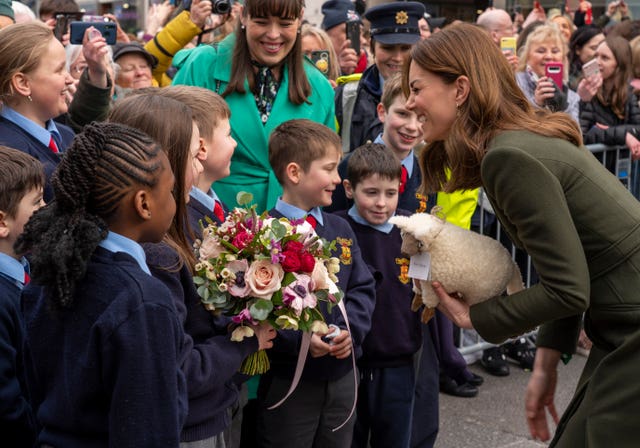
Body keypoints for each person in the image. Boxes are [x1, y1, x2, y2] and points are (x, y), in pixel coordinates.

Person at [405, 22, 640, 446]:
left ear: (460, 89)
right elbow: (573, 269)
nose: (409, 101)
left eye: (417, 87)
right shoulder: (515, 143)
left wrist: (474, 318)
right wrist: (546, 365)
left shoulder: (507, 157)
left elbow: (568, 288)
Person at [108, 93, 275, 447]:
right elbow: (178, 364)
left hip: (209, 404)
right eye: (191, 152)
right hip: (190, 419)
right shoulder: (158, 257)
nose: (200, 162)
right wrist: (242, 344)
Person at [16, 121, 188, 446]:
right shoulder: (143, 301)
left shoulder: (48, 274)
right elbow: (149, 432)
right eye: (170, 190)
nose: (176, 200)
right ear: (144, 204)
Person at [258, 119, 375, 447]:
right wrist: (300, 341)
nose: (338, 178)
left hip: (341, 378)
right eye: (329, 168)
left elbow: (362, 287)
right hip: (289, 380)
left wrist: (351, 331)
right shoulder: (262, 235)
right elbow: (259, 306)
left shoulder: (340, 229)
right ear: (295, 173)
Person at [172, 0, 336, 213]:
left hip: (291, 230)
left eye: (285, 23)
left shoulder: (319, 86)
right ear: (243, 15)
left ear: (300, 18)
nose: (273, 34)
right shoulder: (203, 65)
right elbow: (172, 144)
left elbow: (326, 167)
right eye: (261, 22)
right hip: (208, 218)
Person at [334, 143, 423, 448]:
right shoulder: (336, 228)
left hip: (399, 362)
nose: (382, 203)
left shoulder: (412, 231)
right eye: (371, 192)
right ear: (349, 188)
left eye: (390, 193)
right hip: (348, 367)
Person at [335, 1, 424, 153]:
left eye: (405, 48)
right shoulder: (346, 95)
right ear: (372, 47)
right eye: (388, 48)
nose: (397, 57)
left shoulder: (433, 95)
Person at [0, 22, 74, 202]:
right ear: (23, 84)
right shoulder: (9, 154)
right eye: (59, 70)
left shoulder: (67, 135)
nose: (70, 79)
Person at [0, 147, 43, 447]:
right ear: (2, 223)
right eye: (37, 202)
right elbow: (6, 401)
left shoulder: (31, 271)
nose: (47, 208)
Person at [154, 85, 236, 240]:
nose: (234, 143)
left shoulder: (218, 205)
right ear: (201, 148)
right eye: (228, 135)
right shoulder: (182, 217)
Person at [515, 24, 580, 123]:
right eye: (541, 51)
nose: (549, 56)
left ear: (563, 58)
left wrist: (562, 109)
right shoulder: (515, 85)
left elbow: (576, 135)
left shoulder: (571, 97)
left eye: (555, 51)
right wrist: (536, 105)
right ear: (527, 56)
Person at [320, 0, 366, 76]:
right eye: (349, 31)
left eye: (360, 32)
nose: (362, 40)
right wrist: (338, 72)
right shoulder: (312, 68)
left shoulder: (374, 70)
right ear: (326, 36)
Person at [568, 25, 604, 91]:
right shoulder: (568, 76)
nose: (599, 52)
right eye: (594, 48)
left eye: (603, 47)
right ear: (578, 49)